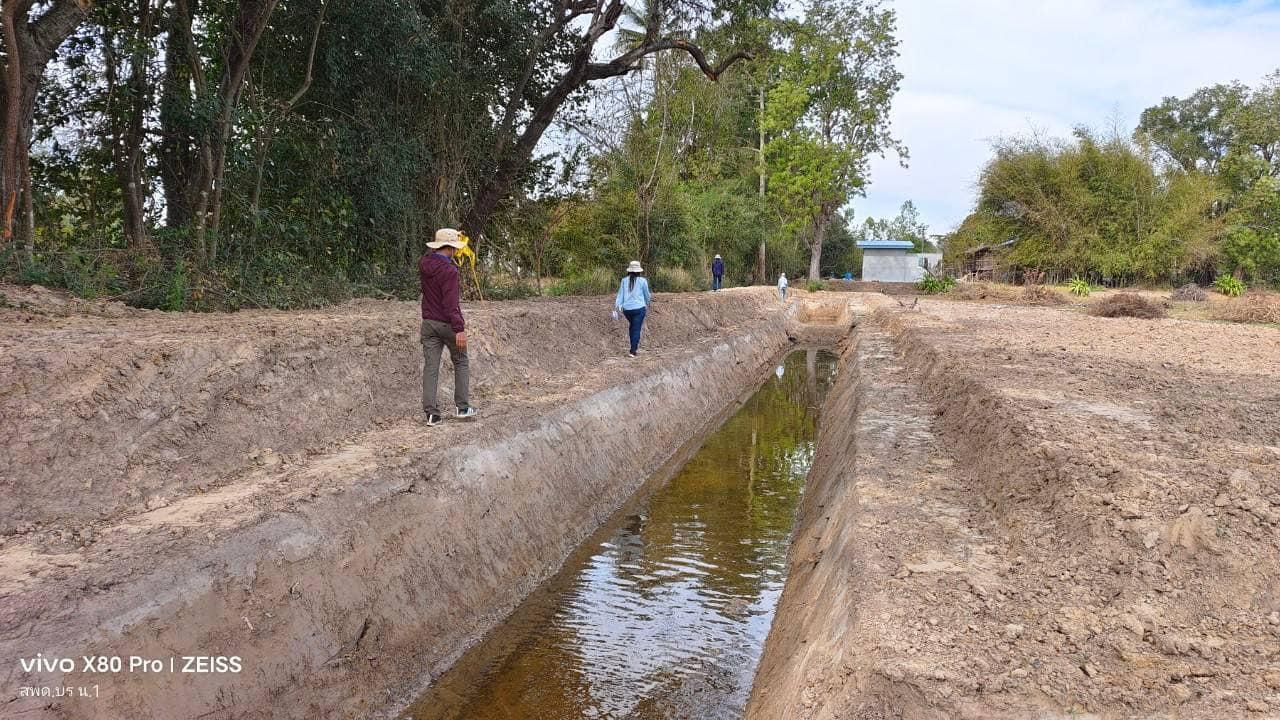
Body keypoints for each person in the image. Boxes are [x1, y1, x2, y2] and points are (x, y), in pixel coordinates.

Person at [420, 228, 477, 426]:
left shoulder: (424, 263)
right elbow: (451, 304)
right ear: (452, 248)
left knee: (431, 367)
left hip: (428, 324)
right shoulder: (450, 271)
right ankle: (462, 407)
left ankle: (431, 415)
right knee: (461, 361)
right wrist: (459, 328)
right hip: (448, 325)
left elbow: (431, 256)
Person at [615, 260, 652, 358]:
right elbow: (646, 294)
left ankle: (633, 347)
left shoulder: (624, 280)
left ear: (629, 270)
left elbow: (620, 295)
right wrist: (648, 302)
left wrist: (618, 306)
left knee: (632, 327)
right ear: (639, 271)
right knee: (636, 329)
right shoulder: (642, 281)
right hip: (639, 309)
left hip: (627, 310)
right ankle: (633, 351)